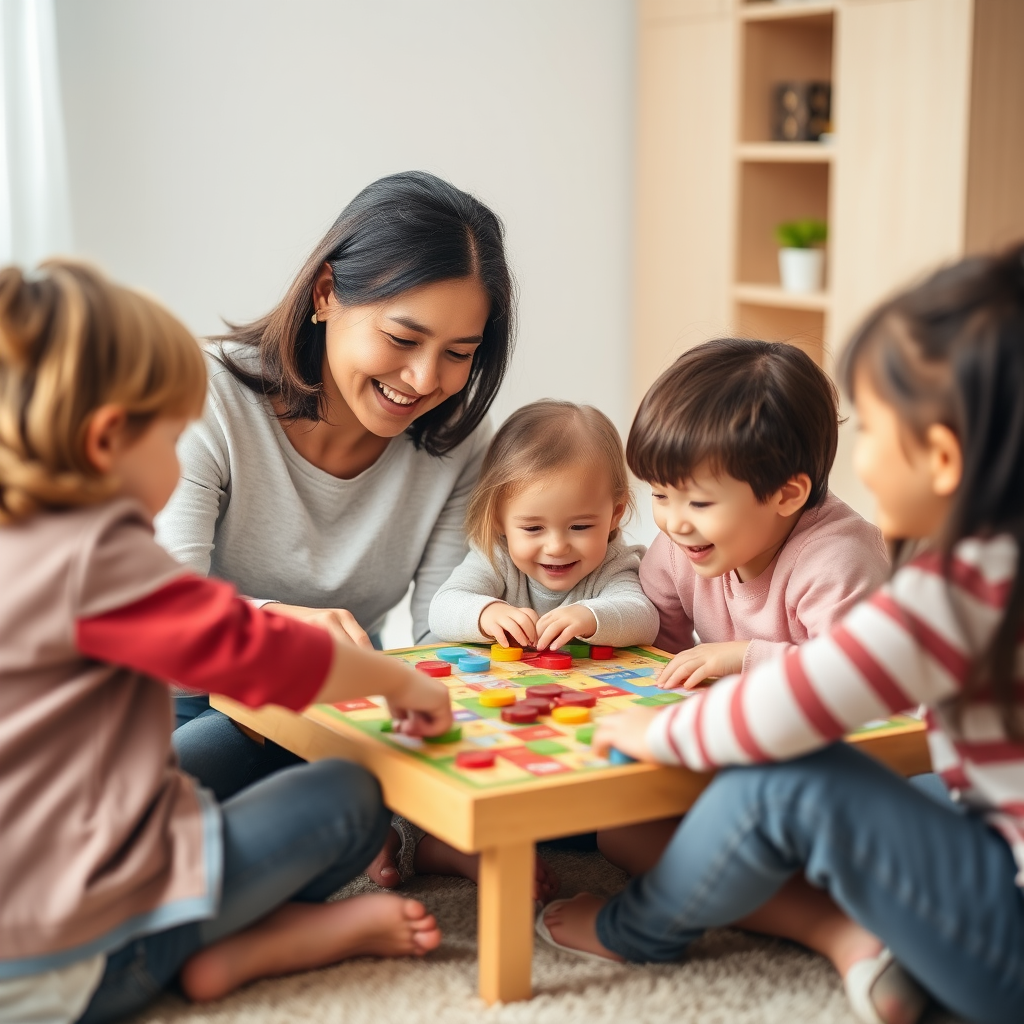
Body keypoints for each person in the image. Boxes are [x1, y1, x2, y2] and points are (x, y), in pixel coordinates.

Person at [538, 245, 1024, 1024]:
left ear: (941, 458)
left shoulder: (962, 588)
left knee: (781, 783)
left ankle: (639, 930)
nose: (855, 459)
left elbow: (796, 705)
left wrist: (662, 732)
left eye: (870, 432)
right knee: (927, 783)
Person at [0, 261, 455, 1024]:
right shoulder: (101, 560)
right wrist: (402, 682)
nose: (180, 463)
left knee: (183, 785)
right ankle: (245, 944)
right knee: (351, 798)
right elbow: (261, 651)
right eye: (171, 440)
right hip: (80, 962)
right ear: (109, 439)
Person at [158, 171, 515, 887]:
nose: (423, 378)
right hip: (183, 686)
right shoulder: (208, 398)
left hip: (335, 707)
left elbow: (444, 630)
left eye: (458, 352)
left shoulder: (459, 446)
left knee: (334, 801)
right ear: (326, 294)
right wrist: (277, 635)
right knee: (197, 754)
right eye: (403, 337)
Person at [597, 338, 888, 874]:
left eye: (699, 502)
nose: (673, 522)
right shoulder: (683, 548)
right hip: (745, 743)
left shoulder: (838, 560)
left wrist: (742, 656)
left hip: (845, 767)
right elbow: (654, 647)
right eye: (660, 495)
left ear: (786, 494)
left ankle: (813, 911)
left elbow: (860, 682)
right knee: (617, 832)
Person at [429, 399, 659, 651]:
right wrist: (487, 613)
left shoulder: (612, 564)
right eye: (533, 529)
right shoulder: (496, 558)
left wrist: (590, 617)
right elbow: (441, 609)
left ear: (616, 513)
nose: (556, 547)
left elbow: (645, 619)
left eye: (580, 527)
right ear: (497, 518)